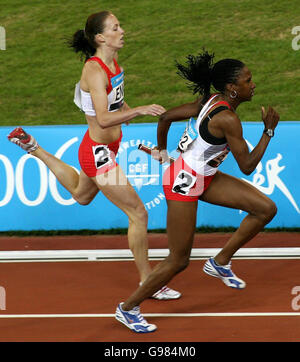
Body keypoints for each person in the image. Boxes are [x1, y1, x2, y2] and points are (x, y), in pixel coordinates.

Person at [7, 11, 181, 301]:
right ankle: (148, 282)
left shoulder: (113, 63)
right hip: (99, 153)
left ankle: (32, 147)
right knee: (138, 213)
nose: (122, 31)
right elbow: (101, 118)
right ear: (101, 37)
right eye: (116, 28)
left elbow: (113, 99)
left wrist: (125, 108)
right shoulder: (95, 70)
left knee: (81, 194)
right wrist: (137, 111)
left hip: (105, 147)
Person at [115, 49, 280, 333]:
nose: (253, 85)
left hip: (204, 176)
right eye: (248, 80)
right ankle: (127, 309)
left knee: (266, 209)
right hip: (184, 185)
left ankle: (220, 261)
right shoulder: (227, 119)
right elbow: (248, 166)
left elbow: (165, 117)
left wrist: (165, 152)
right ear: (232, 88)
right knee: (178, 260)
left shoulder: (210, 100)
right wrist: (268, 132)